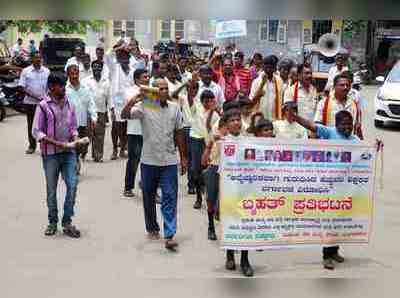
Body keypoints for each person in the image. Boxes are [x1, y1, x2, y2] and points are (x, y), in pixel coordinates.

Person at [288, 107, 361, 270]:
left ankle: (335, 250)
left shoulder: (355, 140)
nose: (348, 127)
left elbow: (366, 152)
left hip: (346, 188)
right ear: (336, 125)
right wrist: (295, 117)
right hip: (329, 188)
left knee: (340, 223)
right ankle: (326, 256)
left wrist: (376, 145)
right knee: (330, 223)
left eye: (350, 124)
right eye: (344, 125)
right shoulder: (330, 133)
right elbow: (311, 126)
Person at [121, 78, 188, 250]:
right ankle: (152, 227)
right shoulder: (145, 107)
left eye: (166, 88)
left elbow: (179, 132)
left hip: (169, 160)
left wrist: (184, 157)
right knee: (149, 196)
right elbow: (124, 115)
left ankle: (170, 234)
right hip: (149, 160)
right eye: (161, 89)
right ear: (154, 91)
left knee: (169, 196)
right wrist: (132, 101)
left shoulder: (174, 108)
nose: (164, 91)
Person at [32, 72, 81, 238]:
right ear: (52, 87)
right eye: (61, 85)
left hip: (69, 153)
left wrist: (76, 138)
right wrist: (56, 143)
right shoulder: (43, 106)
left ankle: (67, 221)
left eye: (64, 85)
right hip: (51, 155)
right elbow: (36, 132)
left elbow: (73, 126)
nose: (64, 89)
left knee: (73, 185)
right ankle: (52, 221)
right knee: (51, 190)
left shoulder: (69, 104)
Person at [222, 109, 254, 277]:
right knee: (230, 223)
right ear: (226, 124)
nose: (236, 123)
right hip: (228, 190)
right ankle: (229, 255)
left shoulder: (248, 141)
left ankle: (245, 260)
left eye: (238, 120)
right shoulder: (223, 142)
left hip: (246, 190)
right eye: (232, 120)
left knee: (246, 225)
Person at [190, 90, 220, 209]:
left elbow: (209, 128)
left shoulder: (216, 115)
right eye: (206, 101)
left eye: (211, 100)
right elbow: (189, 98)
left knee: (208, 171)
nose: (208, 103)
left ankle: (209, 198)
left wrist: (213, 110)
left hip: (209, 143)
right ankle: (198, 198)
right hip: (196, 140)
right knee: (196, 170)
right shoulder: (196, 108)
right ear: (201, 101)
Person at [65, 64, 97, 174]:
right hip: (68, 125)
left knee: (82, 145)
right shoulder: (65, 90)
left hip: (82, 123)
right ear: (68, 74)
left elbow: (91, 103)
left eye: (76, 73)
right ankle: (73, 163)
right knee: (71, 146)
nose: (74, 76)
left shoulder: (85, 88)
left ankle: (76, 158)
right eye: (72, 73)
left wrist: (94, 117)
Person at [122, 68, 149, 198]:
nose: (147, 79)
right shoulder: (130, 91)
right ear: (137, 79)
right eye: (144, 77)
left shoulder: (151, 91)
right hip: (134, 131)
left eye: (148, 76)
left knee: (149, 161)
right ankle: (128, 187)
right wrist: (140, 98)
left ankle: (147, 186)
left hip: (149, 131)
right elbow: (130, 108)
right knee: (133, 160)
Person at [201, 115, 228, 240]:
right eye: (224, 128)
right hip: (214, 168)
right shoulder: (215, 139)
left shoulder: (237, 139)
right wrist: (211, 144)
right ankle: (211, 226)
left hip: (230, 172)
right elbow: (203, 161)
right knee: (211, 199)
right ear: (220, 128)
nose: (226, 131)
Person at [18, 51, 50, 154]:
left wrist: (46, 98)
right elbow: (21, 87)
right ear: (32, 59)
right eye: (36, 58)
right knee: (31, 124)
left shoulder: (46, 71)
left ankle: (43, 146)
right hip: (30, 103)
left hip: (43, 103)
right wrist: (36, 97)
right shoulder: (26, 71)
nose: (38, 60)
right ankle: (32, 146)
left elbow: (50, 87)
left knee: (43, 125)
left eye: (40, 58)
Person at [314, 73, 363, 139]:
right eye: (342, 85)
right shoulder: (323, 103)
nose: (345, 87)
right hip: (329, 144)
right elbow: (317, 125)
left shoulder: (354, 104)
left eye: (347, 85)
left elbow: (357, 126)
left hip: (349, 145)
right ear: (334, 87)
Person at [171, 79, 198, 195]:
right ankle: (191, 185)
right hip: (186, 130)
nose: (193, 90)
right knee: (189, 158)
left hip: (198, 131)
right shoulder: (183, 98)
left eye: (195, 88)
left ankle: (198, 184)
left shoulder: (201, 100)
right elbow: (173, 95)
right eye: (191, 88)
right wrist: (184, 85)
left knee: (196, 160)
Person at [109, 46, 134, 160]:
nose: (124, 60)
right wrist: (118, 47)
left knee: (125, 127)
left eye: (125, 57)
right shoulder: (115, 68)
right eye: (121, 57)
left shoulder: (132, 70)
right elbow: (108, 55)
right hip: (116, 103)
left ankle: (123, 149)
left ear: (128, 59)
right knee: (115, 126)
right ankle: (115, 149)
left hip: (128, 102)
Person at [84, 60, 111, 163]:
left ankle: (98, 156)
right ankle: (83, 153)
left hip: (101, 111)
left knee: (100, 135)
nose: (96, 68)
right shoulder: (86, 81)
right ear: (92, 68)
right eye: (94, 66)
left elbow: (109, 97)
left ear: (102, 68)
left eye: (99, 66)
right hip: (89, 111)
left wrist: (110, 111)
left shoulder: (106, 81)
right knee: (88, 134)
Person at [249, 55, 283, 120]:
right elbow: (251, 102)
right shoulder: (256, 82)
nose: (269, 70)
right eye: (266, 67)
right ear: (263, 67)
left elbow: (281, 101)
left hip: (275, 119)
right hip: (259, 119)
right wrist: (259, 93)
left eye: (271, 68)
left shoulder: (279, 81)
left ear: (275, 68)